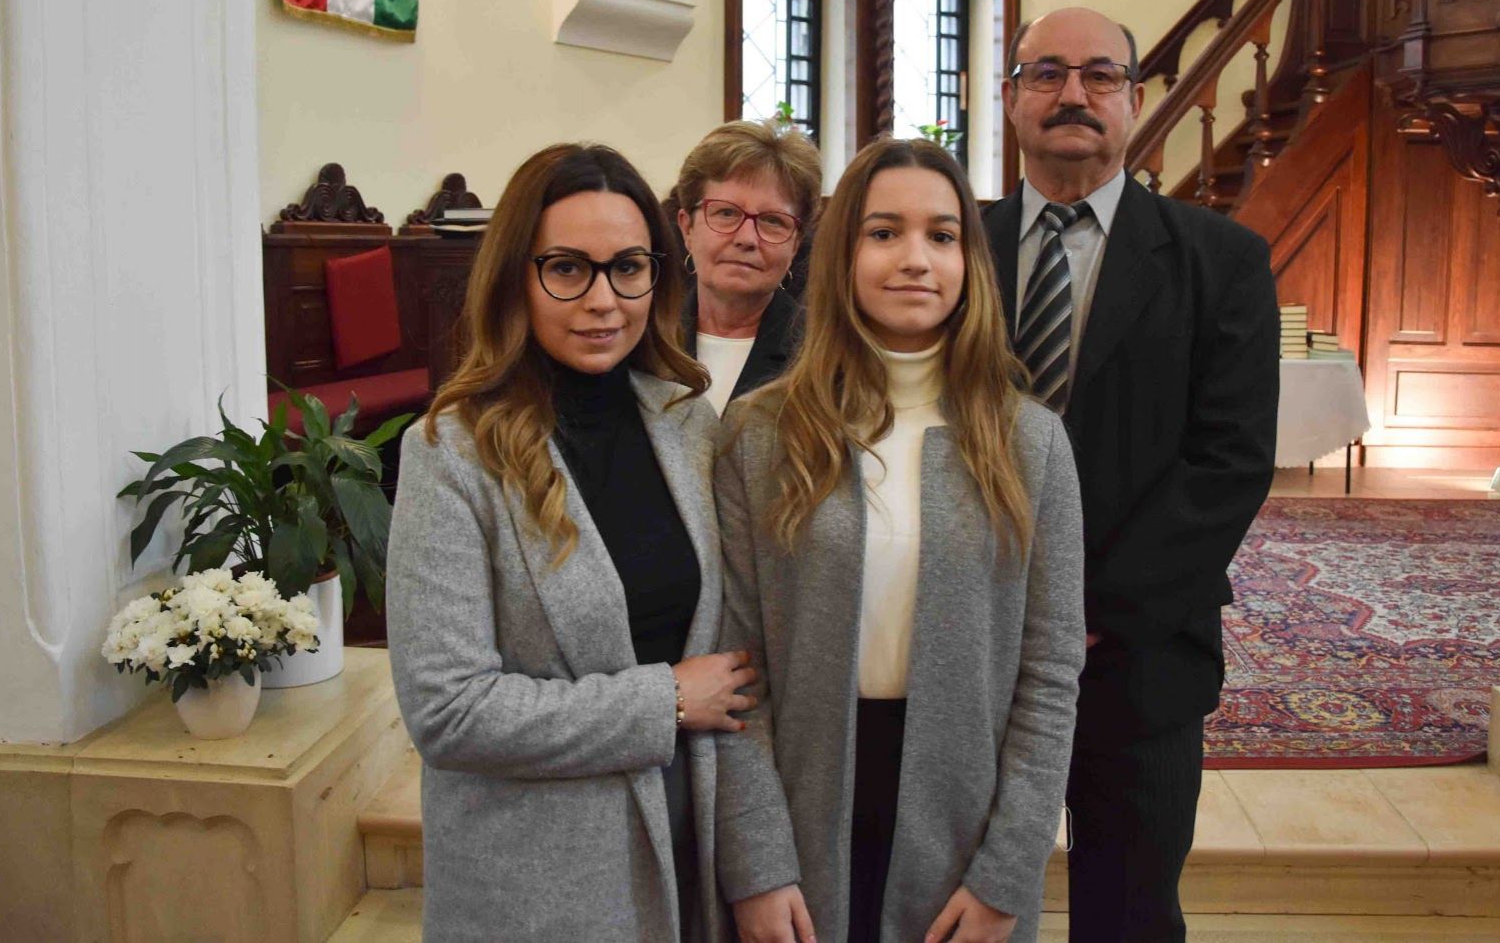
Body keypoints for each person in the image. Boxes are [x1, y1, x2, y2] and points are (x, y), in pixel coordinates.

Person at [715, 137, 1085, 943]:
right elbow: (734, 667)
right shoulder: (761, 432)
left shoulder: (1029, 441)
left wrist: (1007, 870)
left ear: (968, 261)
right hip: (804, 797)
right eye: (883, 232)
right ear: (841, 254)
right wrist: (756, 861)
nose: (915, 258)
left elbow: (1050, 674)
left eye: (941, 235)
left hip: (962, 811)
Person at [387, 143, 755, 942]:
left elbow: (731, 649)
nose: (602, 300)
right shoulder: (452, 451)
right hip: (538, 879)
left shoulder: (687, 423)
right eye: (566, 268)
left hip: (683, 841)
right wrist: (664, 699)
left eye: (627, 268)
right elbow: (447, 709)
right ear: (515, 276)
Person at [985, 8, 1279, 942]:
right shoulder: (950, 249)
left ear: (1136, 99)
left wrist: (1083, 608)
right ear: (1009, 99)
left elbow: (1229, 461)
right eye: (1046, 73)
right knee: (952, 902)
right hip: (966, 640)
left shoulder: (1220, 260)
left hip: (1140, 648)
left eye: (1099, 75)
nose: (1072, 94)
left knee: (1129, 914)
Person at [671, 120, 822, 415]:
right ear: (687, 228)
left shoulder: (822, 353)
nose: (747, 239)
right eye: (726, 213)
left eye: (773, 220)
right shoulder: (646, 342)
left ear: (795, 243)